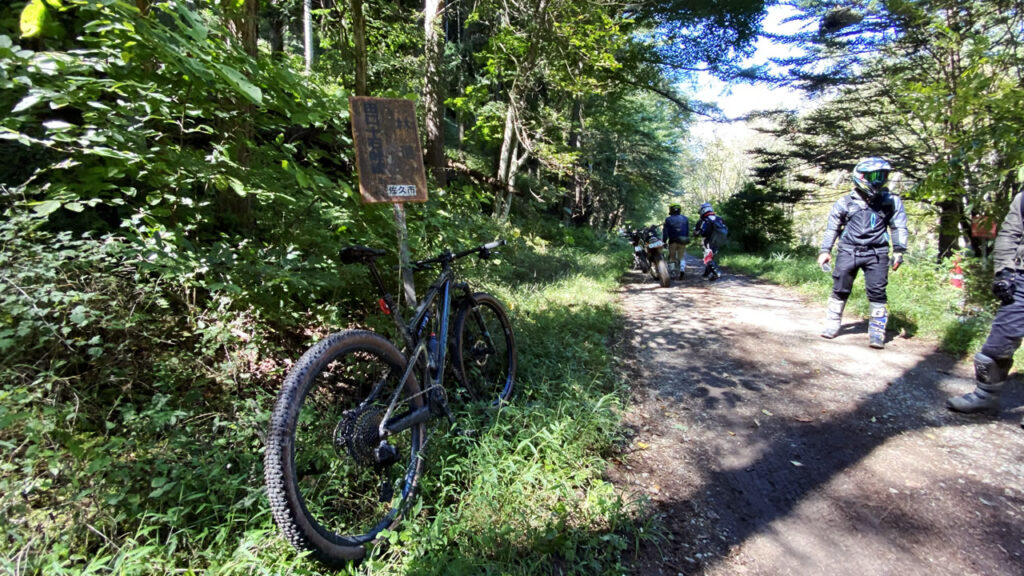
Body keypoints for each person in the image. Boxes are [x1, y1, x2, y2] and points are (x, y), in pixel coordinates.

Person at [947, 192, 1024, 428]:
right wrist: (1004, 272)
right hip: (1021, 280)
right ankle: (985, 397)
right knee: (995, 348)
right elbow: (1010, 234)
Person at [817, 157, 908, 349]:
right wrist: (825, 251)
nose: (878, 180)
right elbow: (832, 227)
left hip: (877, 253)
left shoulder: (891, 202)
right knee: (840, 287)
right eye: (874, 176)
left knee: (877, 292)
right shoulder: (845, 202)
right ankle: (832, 324)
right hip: (848, 250)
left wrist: (899, 250)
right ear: (861, 177)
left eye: (882, 176)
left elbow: (898, 226)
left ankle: (876, 332)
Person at [694, 202, 727, 281]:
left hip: (707, 240)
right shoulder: (719, 218)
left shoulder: (702, 220)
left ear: (703, 210)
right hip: (718, 241)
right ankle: (707, 274)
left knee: (708, 257)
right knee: (711, 257)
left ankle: (716, 272)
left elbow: (696, 233)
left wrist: (696, 233)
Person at [663, 203, 690, 279]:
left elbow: (665, 232)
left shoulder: (668, 219)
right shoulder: (685, 218)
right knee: (681, 256)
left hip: (673, 241)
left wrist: (664, 241)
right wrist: (686, 238)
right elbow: (687, 230)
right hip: (683, 240)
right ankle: (682, 268)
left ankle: (673, 272)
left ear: (671, 210)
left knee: (672, 257)